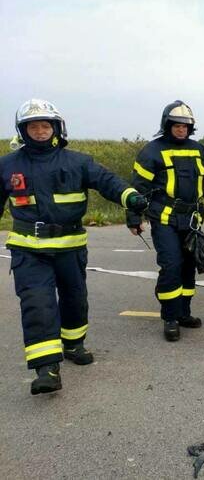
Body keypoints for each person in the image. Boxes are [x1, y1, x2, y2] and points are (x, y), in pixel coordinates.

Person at [0, 99, 147, 395]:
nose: (40, 131)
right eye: (33, 126)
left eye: (45, 125)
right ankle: (47, 369)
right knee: (37, 304)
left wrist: (130, 197)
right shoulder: (8, 165)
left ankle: (73, 344)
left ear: (56, 128)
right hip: (29, 249)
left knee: (74, 298)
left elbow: (108, 181)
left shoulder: (78, 162)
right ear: (23, 131)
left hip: (71, 247)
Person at [127, 100, 204, 342]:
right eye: (177, 126)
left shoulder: (200, 150)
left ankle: (184, 313)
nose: (181, 130)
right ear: (167, 125)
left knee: (188, 265)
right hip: (164, 219)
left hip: (192, 220)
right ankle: (170, 318)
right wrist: (133, 217)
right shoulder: (152, 151)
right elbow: (138, 187)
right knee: (171, 265)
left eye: (186, 126)